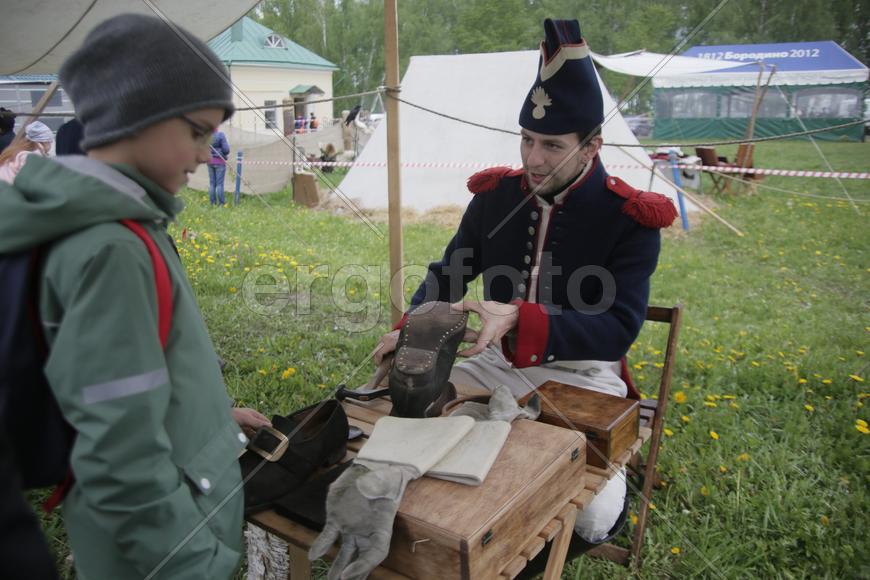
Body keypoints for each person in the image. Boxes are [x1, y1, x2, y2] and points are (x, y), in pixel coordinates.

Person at [374, 17, 676, 561]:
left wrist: (521, 320)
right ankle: (448, 544)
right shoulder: (494, 197)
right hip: (492, 361)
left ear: (591, 146)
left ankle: (525, 554)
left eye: (552, 145)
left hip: (582, 371)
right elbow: (448, 274)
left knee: (592, 516)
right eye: (527, 139)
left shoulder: (631, 218)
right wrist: (413, 331)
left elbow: (617, 331)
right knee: (397, 420)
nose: (533, 158)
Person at [0, 13, 270, 579]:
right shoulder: (111, 248)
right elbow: (118, 452)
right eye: (198, 132)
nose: (205, 155)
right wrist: (191, 564)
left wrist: (210, 415)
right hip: (162, 545)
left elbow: (124, 376)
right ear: (135, 118)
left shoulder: (126, 225)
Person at [208, 129, 230, 205]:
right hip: (219, 162)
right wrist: (220, 150)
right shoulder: (220, 135)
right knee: (219, 184)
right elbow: (226, 150)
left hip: (209, 161)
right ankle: (221, 203)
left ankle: (212, 203)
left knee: (212, 184)